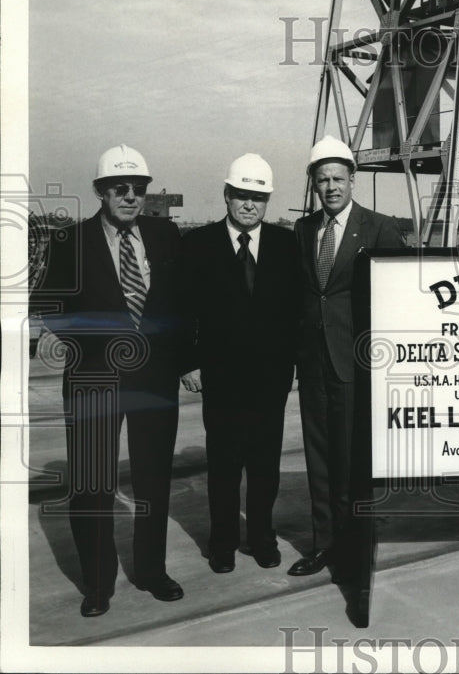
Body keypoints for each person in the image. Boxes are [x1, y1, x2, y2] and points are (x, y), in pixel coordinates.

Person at [33, 145, 187, 617]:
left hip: (154, 380)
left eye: (139, 189)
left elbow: (183, 305)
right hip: (93, 380)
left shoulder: (165, 235)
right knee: (92, 484)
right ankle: (97, 584)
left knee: (153, 480)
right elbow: (49, 305)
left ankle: (152, 571)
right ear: (100, 191)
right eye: (120, 188)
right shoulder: (70, 243)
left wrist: (187, 361)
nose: (130, 197)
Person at [288, 135, 404, 579]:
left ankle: (354, 548)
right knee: (318, 458)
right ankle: (324, 544)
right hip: (313, 365)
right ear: (314, 185)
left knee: (352, 462)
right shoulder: (303, 231)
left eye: (338, 179)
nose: (331, 187)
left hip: (356, 365)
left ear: (353, 180)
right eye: (323, 181)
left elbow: (398, 297)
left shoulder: (379, 227)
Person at [180, 154, 300, 574]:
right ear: (227, 195)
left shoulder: (287, 246)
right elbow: (183, 310)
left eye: (258, 198)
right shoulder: (197, 245)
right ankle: (223, 542)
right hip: (221, 378)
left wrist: (295, 365)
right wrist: (189, 363)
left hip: (270, 380)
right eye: (242, 196)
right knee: (224, 466)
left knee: (266, 466)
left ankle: (262, 538)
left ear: (267, 201)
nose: (249, 205)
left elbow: (295, 312)